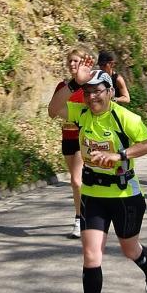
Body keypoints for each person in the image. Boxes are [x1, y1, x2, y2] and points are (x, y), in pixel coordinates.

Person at [48, 58, 147, 293]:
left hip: (125, 195)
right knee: (91, 255)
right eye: (88, 92)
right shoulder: (82, 113)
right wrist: (74, 82)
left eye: (98, 91)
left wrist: (119, 155)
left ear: (110, 92)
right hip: (93, 194)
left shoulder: (125, 118)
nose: (92, 97)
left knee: (129, 249)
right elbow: (53, 110)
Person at [48, 49, 87, 238]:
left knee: (76, 180)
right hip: (67, 137)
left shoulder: (89, 86)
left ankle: (80, 219)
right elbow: (53, 111)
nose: (72, 64)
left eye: (76, 61)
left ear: (83, 63)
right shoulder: (62, 87)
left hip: (84, 139)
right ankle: (85, 212)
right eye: (70, 61)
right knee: (76, 183)